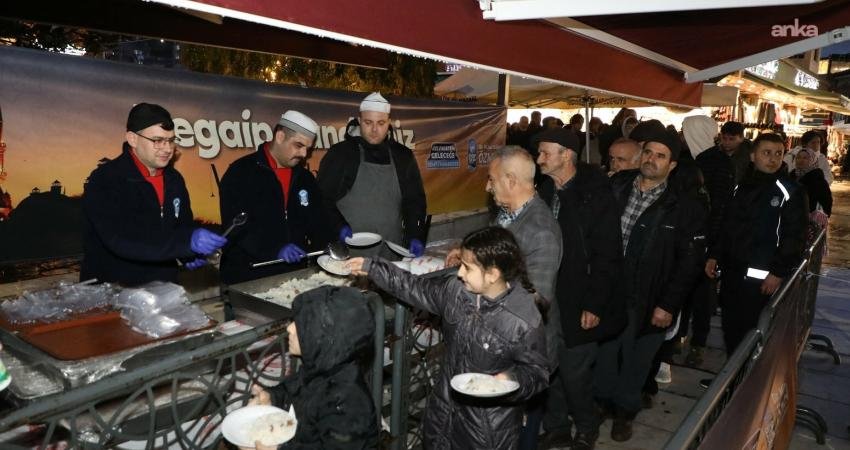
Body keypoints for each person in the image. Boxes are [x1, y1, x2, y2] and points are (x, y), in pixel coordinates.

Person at [348, 226, 549, 450]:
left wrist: (511, 380)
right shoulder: (455, 291)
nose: (459, 273)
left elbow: (537, 373)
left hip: (486, 434)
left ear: (492, 274)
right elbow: (414, 287)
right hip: (442, 417)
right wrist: (373, 267)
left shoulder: (522, 319)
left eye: (467, 267)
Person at [594, 131, 702, 442]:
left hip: (649, 297)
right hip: (609, 291)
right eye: (649, 152)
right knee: (604, 355)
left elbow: (688, 263)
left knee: (637, 361)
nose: (652, 160)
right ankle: (602, 404)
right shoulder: (616, 186)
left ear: (672, 165)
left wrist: (668, 304)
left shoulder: (682, 206)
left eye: (661, 156)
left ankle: (624, 413)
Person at [534, 128, 625, 450]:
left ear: (567, 156)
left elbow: (608, 255)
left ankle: (587, 426)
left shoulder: (595, 195)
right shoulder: (544, 190)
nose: (539, 158)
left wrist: (595, 305)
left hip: (581, 299)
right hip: (548, 296)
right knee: (550, 366)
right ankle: (556, 426)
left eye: (546, 153)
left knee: (575, 372)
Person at [81, 103, 227, 286]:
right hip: (112, 291)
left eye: (171, 140)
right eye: (158, 141)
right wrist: (185, 243)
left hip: (163, 288)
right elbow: (122, 239)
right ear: (133, 139)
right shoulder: (106, 179)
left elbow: (182, 226)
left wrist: (188, 254)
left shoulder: (174, 179)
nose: (167, 149)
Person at [480, 146, 563, 450]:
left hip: (524, 353)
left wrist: (481, 290)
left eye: (492, 179)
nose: (487, 187)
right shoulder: (509, 214)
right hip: (504, 346)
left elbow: (535, 303)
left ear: (511, 181)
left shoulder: (540, 230)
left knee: (517, 433)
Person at [706, 133, 808, 355]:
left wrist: (778, 272)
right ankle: (731, 381)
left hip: (762, 279)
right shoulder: (741, 186)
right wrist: (715, 255)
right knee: (731, 328)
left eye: (778, 154)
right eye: (766, 153)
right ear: (753, 156)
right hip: (733, 273)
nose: (772, 159)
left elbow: (794, 235)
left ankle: (743, 383)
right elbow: (727, 225)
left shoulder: (790, 191)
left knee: (753, 332)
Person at [243, 285, 379, 450]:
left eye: (302, 324)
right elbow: (294, 390)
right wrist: (271, 397)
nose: (289, 328)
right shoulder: (321, 368)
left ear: (325, 337)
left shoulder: (348, 403)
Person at [218, 110, 332, 284]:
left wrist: (332, 240)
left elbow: (317, 219)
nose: (303, 154)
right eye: (299, 146)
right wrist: (275, 249)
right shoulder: (241, 173)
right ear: (280, 136)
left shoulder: (304, 178)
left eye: (307, 149)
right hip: (248, 276)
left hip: (293, 276)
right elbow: (235, 227)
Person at [317, 92, 427, 259]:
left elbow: (414, 201)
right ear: (359, 121)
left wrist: (415, 234)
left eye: (381, 123)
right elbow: (322, 198)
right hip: (349, 254)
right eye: (368, 123)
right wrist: (338, 226)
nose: (375, 130)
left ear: (389, 123)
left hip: (391, 253)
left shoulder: (403, 156)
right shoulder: (341, 154)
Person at [684, 115, 733, 367]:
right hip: (685, 240)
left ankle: (698, 344)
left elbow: (722, 210)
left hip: (706, 242)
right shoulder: (687, 158)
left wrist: (714, 249)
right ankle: (680, 337)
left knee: (702, 295)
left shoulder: (717, 163)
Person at [792, 147, 833, 217]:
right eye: (798, 157)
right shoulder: (791, 176)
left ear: (812, 160)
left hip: (810, 221)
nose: (801, 160)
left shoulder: (818, 180)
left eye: (805, 158)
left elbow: (827, 202)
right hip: (791, 218)